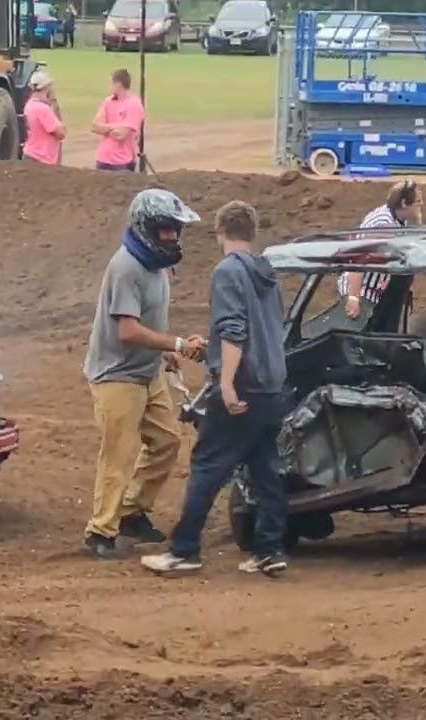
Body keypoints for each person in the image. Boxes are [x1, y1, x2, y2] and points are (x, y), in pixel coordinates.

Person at [141, 201, 290, 577]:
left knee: (208, 465)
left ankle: (184, 550)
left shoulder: (227, 272)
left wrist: (225, 383)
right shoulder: (267, 271)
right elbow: (265, 327)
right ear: (251, 232)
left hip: (243, 386)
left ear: (220, 231)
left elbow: (234, 329)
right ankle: (269, 550)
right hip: (274, 385)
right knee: (267, 468)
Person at [82, 189, 206, 559]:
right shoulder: (127, 267)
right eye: (165, 229)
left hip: (147, 370)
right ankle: (100, 530)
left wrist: (165, 352)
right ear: (145, 228)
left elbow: (149, 321)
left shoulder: (156, 264)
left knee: (166, 441)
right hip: (117, 375)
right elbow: (128, 331)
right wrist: (178, 345)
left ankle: (131, 512)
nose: (172, 236)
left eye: (175, 229)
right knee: (118, 455)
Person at [338, 180, 423, 321]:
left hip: (375, 290)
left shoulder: (398, 219)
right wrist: (353, 297)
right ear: (403, 203)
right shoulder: (384, 225)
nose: (421, 205)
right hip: (361, 291)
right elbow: (358, 258)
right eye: (418, 202)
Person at [91, 68, 145, 172]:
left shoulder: (134, 104)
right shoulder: (108, 101)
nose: (110, 87)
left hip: (122, 162)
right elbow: (94, 126)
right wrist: (117, 126)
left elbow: (121, 134)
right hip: (103, 159)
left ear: (118, 85)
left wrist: (105, 128)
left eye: (111, 84)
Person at [22, 70, 65, 165]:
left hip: (30, 154)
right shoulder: (43, 109)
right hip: (42, 158)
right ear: (47, 87)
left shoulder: (29, 105)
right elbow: (61, 133)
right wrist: (54, 104)